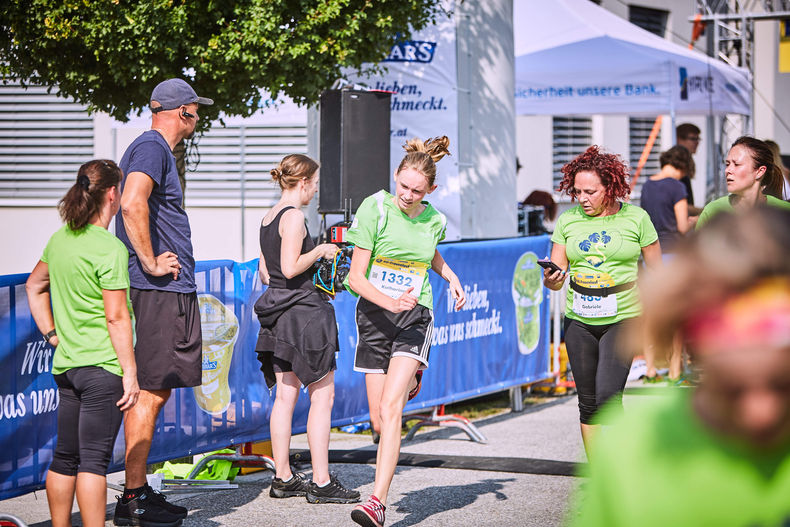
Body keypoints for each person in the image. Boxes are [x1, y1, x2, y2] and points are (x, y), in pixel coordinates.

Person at [570, 207, 790, 526]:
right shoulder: (634, 447)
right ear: (692, 338)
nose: (761, 412)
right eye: (732, 390)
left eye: (782, 385)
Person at [345, 136, 466, 527]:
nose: (408, 195)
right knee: (379, 421)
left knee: (392, 408)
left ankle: (376, 502)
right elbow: (354, 278)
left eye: (417, 190)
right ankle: (412, 372)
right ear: (395, 177)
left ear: (430, 189)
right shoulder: (375, 208)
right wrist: (387, 301)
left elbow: (428, 252)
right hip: (376, 317)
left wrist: (450, 277)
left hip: (416, 315)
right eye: (404, 186)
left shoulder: (434, 218)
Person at [113, 78, 212, 527]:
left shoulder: (156, 149)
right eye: (196, 109)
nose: (200, 117)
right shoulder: (152, 146)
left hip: (168, 290)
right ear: (183, 112)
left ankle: (139, 490)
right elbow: (131, 204)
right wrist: (151, 262)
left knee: (158, 388)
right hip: (157, 289)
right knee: (150, 391)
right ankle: (133, 497)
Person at [25, 160, 139, 527]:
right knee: (93, 461)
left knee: (64, 458)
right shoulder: (110, 248)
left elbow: (33, 285)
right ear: (111, 193)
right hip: (103, 366)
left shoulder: (60, 239)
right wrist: (131, 373)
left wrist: (53, 335)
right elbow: (116, 317)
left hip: (68, 366)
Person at [253, 154, 360, 504]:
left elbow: (267, 273)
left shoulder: (268, 217)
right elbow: (288, 264)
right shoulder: (295, 217)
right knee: (322, 395)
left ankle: (283, 476)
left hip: (278, 312)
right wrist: (322, 251)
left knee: (285, 396)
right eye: (314, 183)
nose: (315, 190)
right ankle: (322, 481)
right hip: (305, 315)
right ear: (302, 183)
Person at [542, 145, 660, 456]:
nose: (582, 198)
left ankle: (624, 466)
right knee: (589, 403)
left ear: (610, 186)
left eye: (590, 191)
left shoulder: (637, 218)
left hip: (623, 316)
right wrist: (551, 280)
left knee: (608, 396)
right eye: (577, 191)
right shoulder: (568, 222)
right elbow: (556, 276)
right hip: (579, 318)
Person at [697, 136, 790, 227]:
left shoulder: (784, 211)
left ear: (760, 171)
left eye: (736, 164)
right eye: (727, 164)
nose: (727, 170)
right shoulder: (712, 211)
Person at [675, 123, 703, 216]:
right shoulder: (677, 164)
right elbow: (678, 204)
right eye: (693, 139)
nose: (697, 142)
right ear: (679, 139)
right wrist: (706, 211)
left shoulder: (686, 162)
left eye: (698, 139)